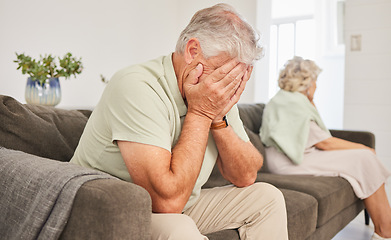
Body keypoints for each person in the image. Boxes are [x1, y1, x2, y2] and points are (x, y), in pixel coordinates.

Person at [71, 3, 288, 240]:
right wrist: (202, 112)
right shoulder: (136, 86)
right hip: (111, 209)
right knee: (179, 230)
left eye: (240, 76)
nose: (232, 85)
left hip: (181, 204)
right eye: (226, 73)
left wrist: (217, 117)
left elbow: (246, 175)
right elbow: (166, 202)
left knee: (267, 198)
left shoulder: (216, 93)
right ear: (193, 51)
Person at [260, 56, 391, 240]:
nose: (316, 86)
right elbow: (324, 141)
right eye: (315, 82)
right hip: (287, 162)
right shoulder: (293, 102)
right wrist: (364, 148)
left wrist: (310, 101)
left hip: (288, 157)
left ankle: (385, 229)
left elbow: (314, 135)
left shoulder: (286, 99)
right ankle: (385, 232)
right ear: (307, 82)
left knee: (362, 159)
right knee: (365, 158)